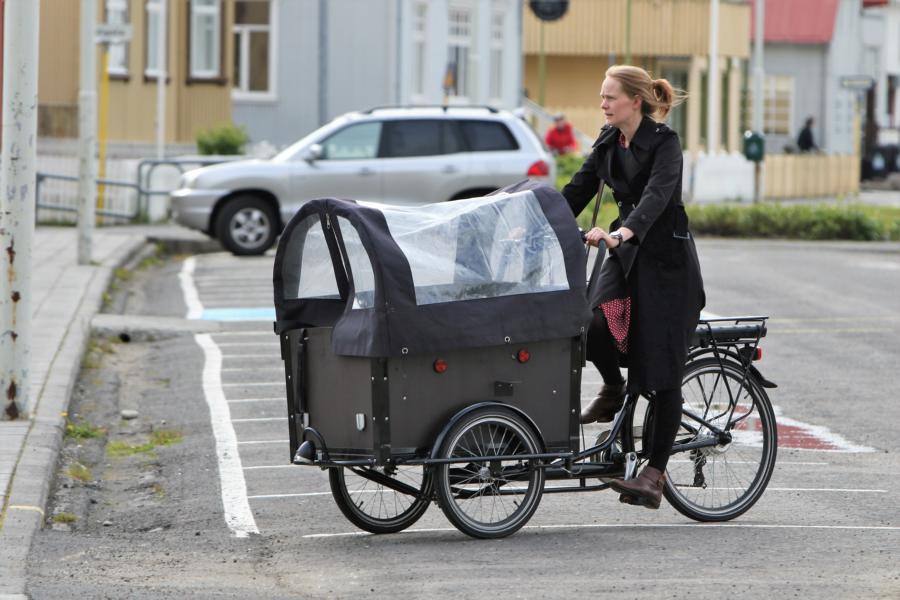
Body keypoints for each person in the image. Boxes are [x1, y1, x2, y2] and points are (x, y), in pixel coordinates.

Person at [561, 65, 705, 509]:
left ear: (635, 102)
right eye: (602, 97)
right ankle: (613, 388)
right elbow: (575, 192)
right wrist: (533, 224)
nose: (602, 104)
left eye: (609, 98)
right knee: (589, 327)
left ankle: (654, 475)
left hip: (665, 266)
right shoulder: (608, 142)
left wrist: (621, 233)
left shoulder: (665, 143)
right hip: (626, 257)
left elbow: (657, 199)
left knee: (658, 370)